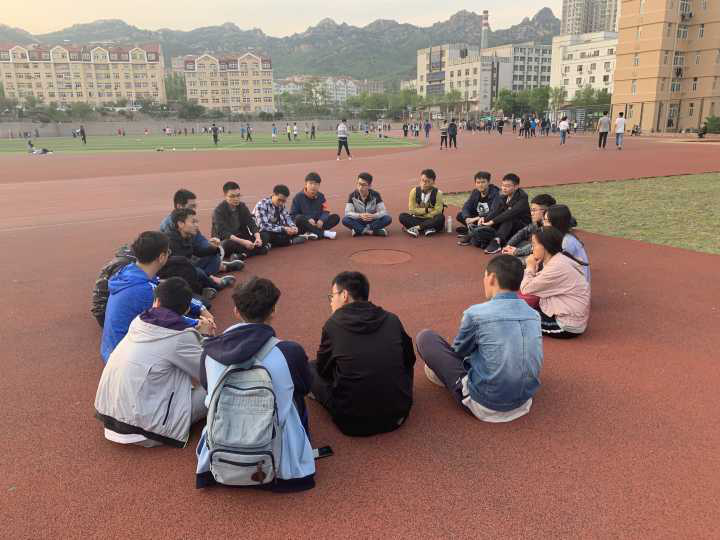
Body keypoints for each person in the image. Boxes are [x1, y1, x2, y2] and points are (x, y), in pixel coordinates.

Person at [196, 277, 316, 491]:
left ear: (236, 311)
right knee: (297, 396)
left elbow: (208, 390)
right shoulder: (289, 351)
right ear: (273, 311)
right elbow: (305, 387)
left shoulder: (210, 351)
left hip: (223, 438)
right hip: (275, 450)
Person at [416, 255, 543, 422]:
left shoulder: (476, 314)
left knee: (425, 338)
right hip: (524, 400)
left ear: (491, 278)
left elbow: (458, 353)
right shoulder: (534, 315)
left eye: (484, 276)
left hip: (486, 404)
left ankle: (452, 381)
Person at [95, 277, 214, 448]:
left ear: (156, 301)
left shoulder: (138, 322)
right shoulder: (180, 337)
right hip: (146, 430)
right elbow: (209, 372)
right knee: (221, 384)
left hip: (109, 418)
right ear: (187, 309)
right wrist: (208, 338)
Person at [310, 272, 415, 436]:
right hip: (398, 414)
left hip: (352, 422)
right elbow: (409, 359)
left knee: (310, 367)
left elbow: (323, 370)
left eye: (332, 296)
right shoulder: (392, 319)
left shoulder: (333, 325)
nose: (331, 301)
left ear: (344, 295)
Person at [100, 231, 210, 362]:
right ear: (162, 257)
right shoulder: (144, 290)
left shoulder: (130, 271)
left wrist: (200, 307)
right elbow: (170, 319)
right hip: (123, 356)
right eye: (168, 252)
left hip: (110, 349)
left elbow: (164, 287)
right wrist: (199, 324)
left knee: (187, 308)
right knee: (186, 336)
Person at [520, 227, 591, 338]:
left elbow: (526, 289)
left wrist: (530, 267)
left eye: (534, 244)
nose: (532, 248)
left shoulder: (556, 267)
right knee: (518, 308)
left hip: (566, 325)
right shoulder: (559, 258)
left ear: (545, 246)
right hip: (569, 315)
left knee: (516, 317)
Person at [160, 189, 245, 275]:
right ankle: (219, 269)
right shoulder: (168, 227)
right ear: (179, 206)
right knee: (191, 266)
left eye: (195, 206)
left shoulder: (188, 221)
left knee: (214, 253)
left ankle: (213, 270)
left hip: (190, 257)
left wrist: (212, 246)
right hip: (178, 265)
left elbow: (200, 241)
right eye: (191, 206)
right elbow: (176, 259)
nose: (194, 209)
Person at [165, 208, 238, 297]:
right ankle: (213, 286)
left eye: (196, 222)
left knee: (213, 256)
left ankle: (205, 283)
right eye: (193, 222)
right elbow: (181, 265)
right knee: (197, 272)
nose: (197, 225)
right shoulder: (170, 241)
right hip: (173, 276)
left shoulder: (187, 235)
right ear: (181, 224)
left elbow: (198, 251)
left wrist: (214, 247)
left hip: (187, 268)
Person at [471, 173, 531, 254]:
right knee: (475, 240)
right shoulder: (503, 196)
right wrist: (485, 219)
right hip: (507, 227)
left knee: (508, 218)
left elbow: (510, 213)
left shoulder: (522, 198)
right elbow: (495, 211)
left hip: (523, 226)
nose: (504, 188)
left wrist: (492, 221)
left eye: (507, 186)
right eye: (503, 185)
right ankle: (474, 233)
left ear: (516, 187)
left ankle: (497, 241)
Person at [212, 181, 269, 260]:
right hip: (228, 239)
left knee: (265, 235)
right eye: (232, 196)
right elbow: (223, 233)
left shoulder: (242, 206)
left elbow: (251, 223)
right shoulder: (218, 211)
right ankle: (257, 250)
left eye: (238, 195)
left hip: (242, 237)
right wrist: (243, 242)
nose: (236, 199)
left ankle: (243, 255)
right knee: (226, 245)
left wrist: (258, 238)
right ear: (225, 196)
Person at [543, 205, 591, 283]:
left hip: (574, 285)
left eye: (547, 221)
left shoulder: (566, 242)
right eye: (544, 220)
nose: (543, 224)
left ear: (557, 223)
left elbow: (555, 269)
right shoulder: (564, 236)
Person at [502, 194, 557, 259]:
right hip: (537, 250)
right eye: (531, 210)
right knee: (521, 243)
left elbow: (539, 244)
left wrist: (516, 252)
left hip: (549, 256)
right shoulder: (537, 223)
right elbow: (523, 232)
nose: (532, 213)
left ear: (546, 211)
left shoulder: (552, 226)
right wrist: (508, 245)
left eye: (534, 210)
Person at [290, 172, 339, 239]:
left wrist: (321, 220)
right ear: (306, 184)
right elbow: (293, 214)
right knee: (299, 218)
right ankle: (322, 233)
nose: (313, 186)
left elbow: (326, 211)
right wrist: (308, 219)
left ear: (319, 185)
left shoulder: (321, 196)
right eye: (311, 183)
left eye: (316, 184)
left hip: (317, 223)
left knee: (335, 217)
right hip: (305, 224)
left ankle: (312, 232)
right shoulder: (298, 197)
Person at [341, 172, 392, 237]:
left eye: (363, 185)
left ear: (369, 186)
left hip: (372, 221)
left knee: (387, 218)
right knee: (345, 220)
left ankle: (359, 230)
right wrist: (360, 215)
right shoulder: (352, 195)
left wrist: (373, 216)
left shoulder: (376, 195)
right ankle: (371, 232)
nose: (360, 187)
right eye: (359, 184)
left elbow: (384, 212)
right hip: (359, 220)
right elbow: (347, 213)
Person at [399, 169, 445, 237]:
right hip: (418, 218)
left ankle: (417, 228)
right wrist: (426, 210)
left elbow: (438, 211)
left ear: (433, 182)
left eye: (427, 181)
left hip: (431, 218)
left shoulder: (438, 193)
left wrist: (422, 214)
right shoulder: (414, 191)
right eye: (422, 180)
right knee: (402, 216)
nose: (424, 183)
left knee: (440, 217)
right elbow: (412, 210)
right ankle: (428, 228)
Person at [455, 171, 500, 240]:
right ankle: (473, 229)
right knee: (460, 215)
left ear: (488, 182)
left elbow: (494, 211)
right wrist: (467, 218)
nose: (480, 185)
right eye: (478, 182)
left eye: (483, 182)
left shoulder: (496, 194)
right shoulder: (475, 192)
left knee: (486, 223)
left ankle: (472, 231)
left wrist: (476, 218)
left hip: (489, 220)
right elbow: (466, 206)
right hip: (478, 220)